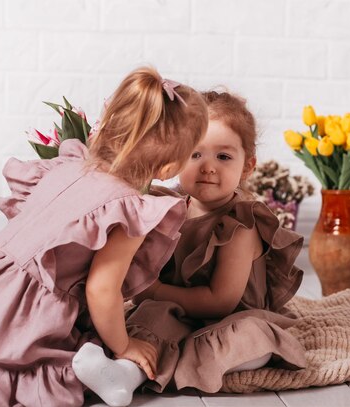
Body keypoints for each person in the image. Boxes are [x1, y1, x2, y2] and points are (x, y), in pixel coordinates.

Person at [0, 67, 209, 407]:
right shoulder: (128, 209)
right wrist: (124, 345)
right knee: (61, 356)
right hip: (16, 324)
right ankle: (89, 370)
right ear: (169, 167)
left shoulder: (68, 166)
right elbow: (102, 291)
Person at [126, 90, 307, 393]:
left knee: (251, 339)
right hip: (179, 312)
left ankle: (154, 367)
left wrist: (155, 291)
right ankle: (123, 373)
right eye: (194, 154)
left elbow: (221, 300)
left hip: (228, 318)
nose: (208, 166)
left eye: (223, 156)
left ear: (248, 166)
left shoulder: (240, 226)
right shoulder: (167, 208)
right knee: (145, 320)